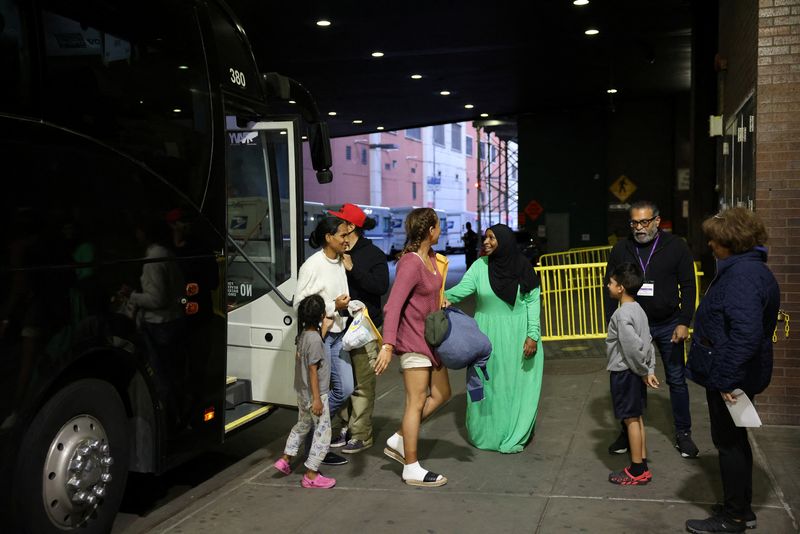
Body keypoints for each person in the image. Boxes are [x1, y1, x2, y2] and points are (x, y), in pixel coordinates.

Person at [685, 208, 780, 534]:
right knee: (735, 440)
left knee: (729, 443)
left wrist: (726, 378)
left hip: (731, 375)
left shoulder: (742, 277)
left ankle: (735, 516)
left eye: (716, 239)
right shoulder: (748, 270)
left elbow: (745, 334)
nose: (710, 244)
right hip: (735, 372)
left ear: (733, 242)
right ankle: (740, 508)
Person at [604, 200, 699, 459]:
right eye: (634, 222)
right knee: (632, 382)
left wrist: (683, 322)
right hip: (632, 327)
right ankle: (627, 433)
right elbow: (609, 286)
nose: (639, 227)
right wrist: (611, 323)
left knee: (676, 379)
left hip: (668, 324)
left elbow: (689, 286)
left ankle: (683, 434)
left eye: (644, 222)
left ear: (657, 221)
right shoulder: (621, 248)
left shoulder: (676, 247)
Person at [443, 223, 544, 453]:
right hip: (485, 335)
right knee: (489, 384)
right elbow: (461, 290)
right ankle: (488, 433)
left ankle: (514, 430)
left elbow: (532, 301)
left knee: (515, 386)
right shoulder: (479, 267)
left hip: (518, 334)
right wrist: (437, 295)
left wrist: (532, 335)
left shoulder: (523, 267)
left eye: (492, 238)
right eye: (485, 237)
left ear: (504, 241)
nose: (486, 242)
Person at [375, 207, 450, 487]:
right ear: (429, 230)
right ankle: (411, 466)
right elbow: (393, 306)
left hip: (432, 340)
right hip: (413, 342)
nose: (440, 230)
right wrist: (388, 344)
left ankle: (398, 439)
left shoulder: (431, 258)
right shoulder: (410, 263)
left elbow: (428, 294)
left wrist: (440, 303)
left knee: (442, 393)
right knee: (416, 401)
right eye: (438, 226)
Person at [326, 203, 389, 454]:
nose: (335, 226)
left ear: (351, 226)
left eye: (339, 222)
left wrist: (354, 269)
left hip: (363, 330)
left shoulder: (372, 254)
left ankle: (361, 434)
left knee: (362, 384)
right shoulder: (334, 253)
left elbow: (380, 286)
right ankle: (343, 427)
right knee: (340, 383)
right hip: (338, 328)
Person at [293, 216, 352, 466]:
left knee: (346, 388)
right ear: (329, 238)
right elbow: (299, 304)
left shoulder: (339, 261)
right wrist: (332, 306)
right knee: (323, 394)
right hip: (321, 337)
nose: (347, 239)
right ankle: (317, 447)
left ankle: (314, 431)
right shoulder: (312, 265)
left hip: (340, 333)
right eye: (342, 235)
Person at [273, 294, 336, 489]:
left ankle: (286, 459)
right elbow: (313, 370)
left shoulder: (303, 336)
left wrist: (322, 330)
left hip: (302, 392)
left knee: (302, 425)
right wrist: (317, 399)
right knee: (323, 433)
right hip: (317, 394)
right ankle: (311, 474)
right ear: (322, 314)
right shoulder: (315, 339)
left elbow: (305, 358)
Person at [605, 263, 660, 485]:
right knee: (636, 418)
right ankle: (642, 464)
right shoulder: (639, 310)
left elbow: (633, 348)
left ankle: (636, 470)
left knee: (630, 420)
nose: (608, 285)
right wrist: (650, 369)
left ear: (620, 288)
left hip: (625, 373)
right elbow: (648, 343)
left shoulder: (621, 315)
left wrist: (644, 371)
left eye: (611, 282)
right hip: (636, 372)